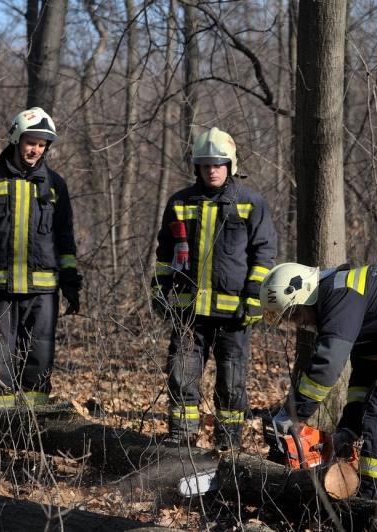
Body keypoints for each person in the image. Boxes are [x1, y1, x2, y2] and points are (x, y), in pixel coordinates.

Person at [151, 126, 277, 451]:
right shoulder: (179, 202)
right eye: (206, 164)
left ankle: (228, 447)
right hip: (188, 313)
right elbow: (165, 252)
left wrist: (254, 298)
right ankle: (181, 441)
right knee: (181, 379)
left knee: (231, 384)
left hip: (234, 315)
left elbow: (264, 253)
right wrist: (159, 289)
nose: (212, 170)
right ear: (197, 166)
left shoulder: (251, 203)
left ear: (231, 165)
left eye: (219, 164)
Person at [0, 107, 81, 407]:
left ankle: (33, 425)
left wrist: (71, 282)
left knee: (39, 356)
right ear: (16, 138)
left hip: (43, 292)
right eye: (31, 142)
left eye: (42, 144)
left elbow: (65, 239)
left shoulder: (56, 185)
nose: (36, 149)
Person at [261, 262, 377, 500]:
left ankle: (369, 504)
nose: (297, 323)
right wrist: (349, 427)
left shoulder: (339, 295)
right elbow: (363, 377)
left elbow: (328, 365)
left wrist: (292, 414)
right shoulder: (353, 309)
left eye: (294, 313)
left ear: (303, 290)